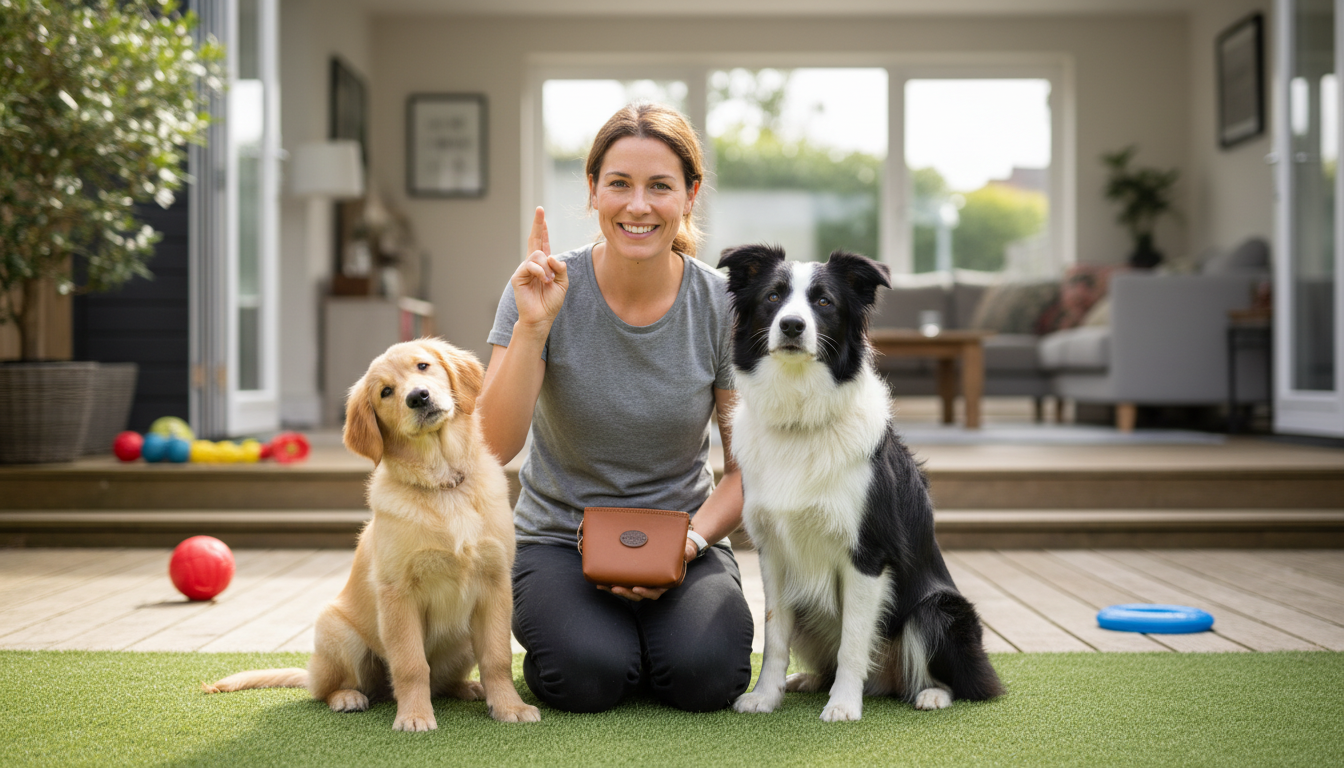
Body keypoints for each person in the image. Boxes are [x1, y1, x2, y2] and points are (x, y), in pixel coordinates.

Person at [478, 103, 753, 714]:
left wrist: (690, 542)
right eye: (619, 184)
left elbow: (744, 470)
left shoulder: (721, 305)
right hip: (557, 541)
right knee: (585, 677)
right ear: (593, 192)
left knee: (707, 679)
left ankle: (657, 644)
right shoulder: (541, 287)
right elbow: (492, 448)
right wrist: (533, 329)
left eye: (660, 186)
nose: (638, 205)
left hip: (685, 539)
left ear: (689, 196)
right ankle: (611, 643)